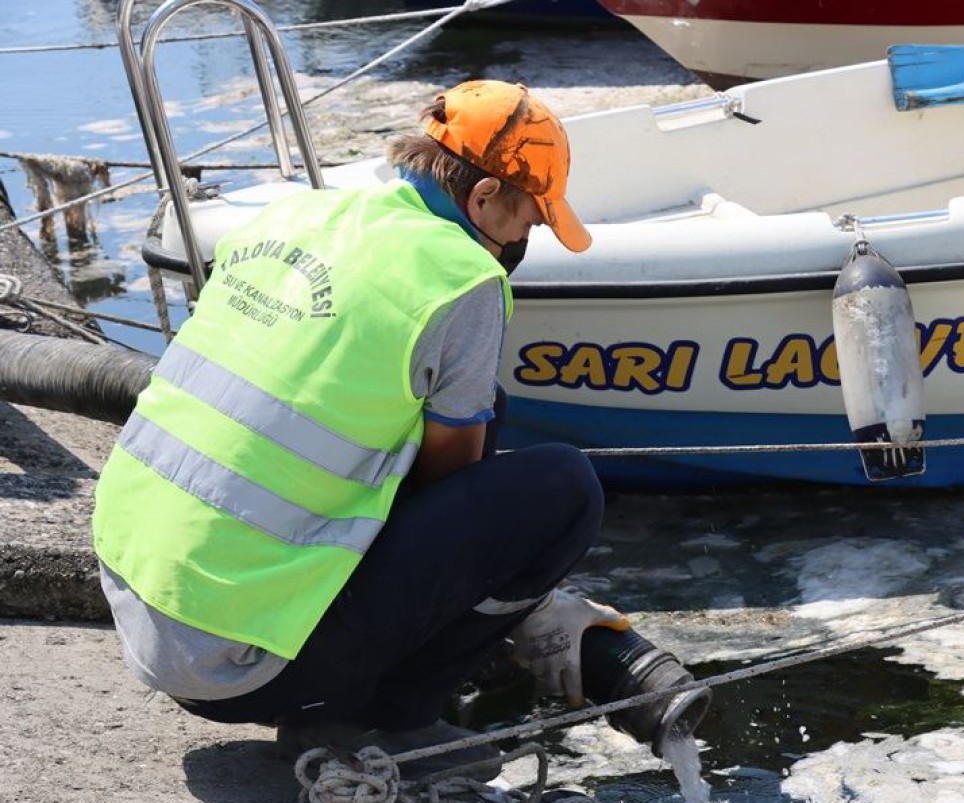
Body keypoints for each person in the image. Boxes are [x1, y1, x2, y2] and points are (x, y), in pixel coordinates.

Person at [91, 80, 629, 763]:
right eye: (530, 218)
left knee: (483, 408)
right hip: (245, 668)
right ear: (485, 197)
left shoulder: (299, 214)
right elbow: (451, 484)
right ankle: (392, 718)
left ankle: (344, 685)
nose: (528, 236)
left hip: (143, 612)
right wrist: (522, 598)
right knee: (564, 487)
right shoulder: (461, 278)